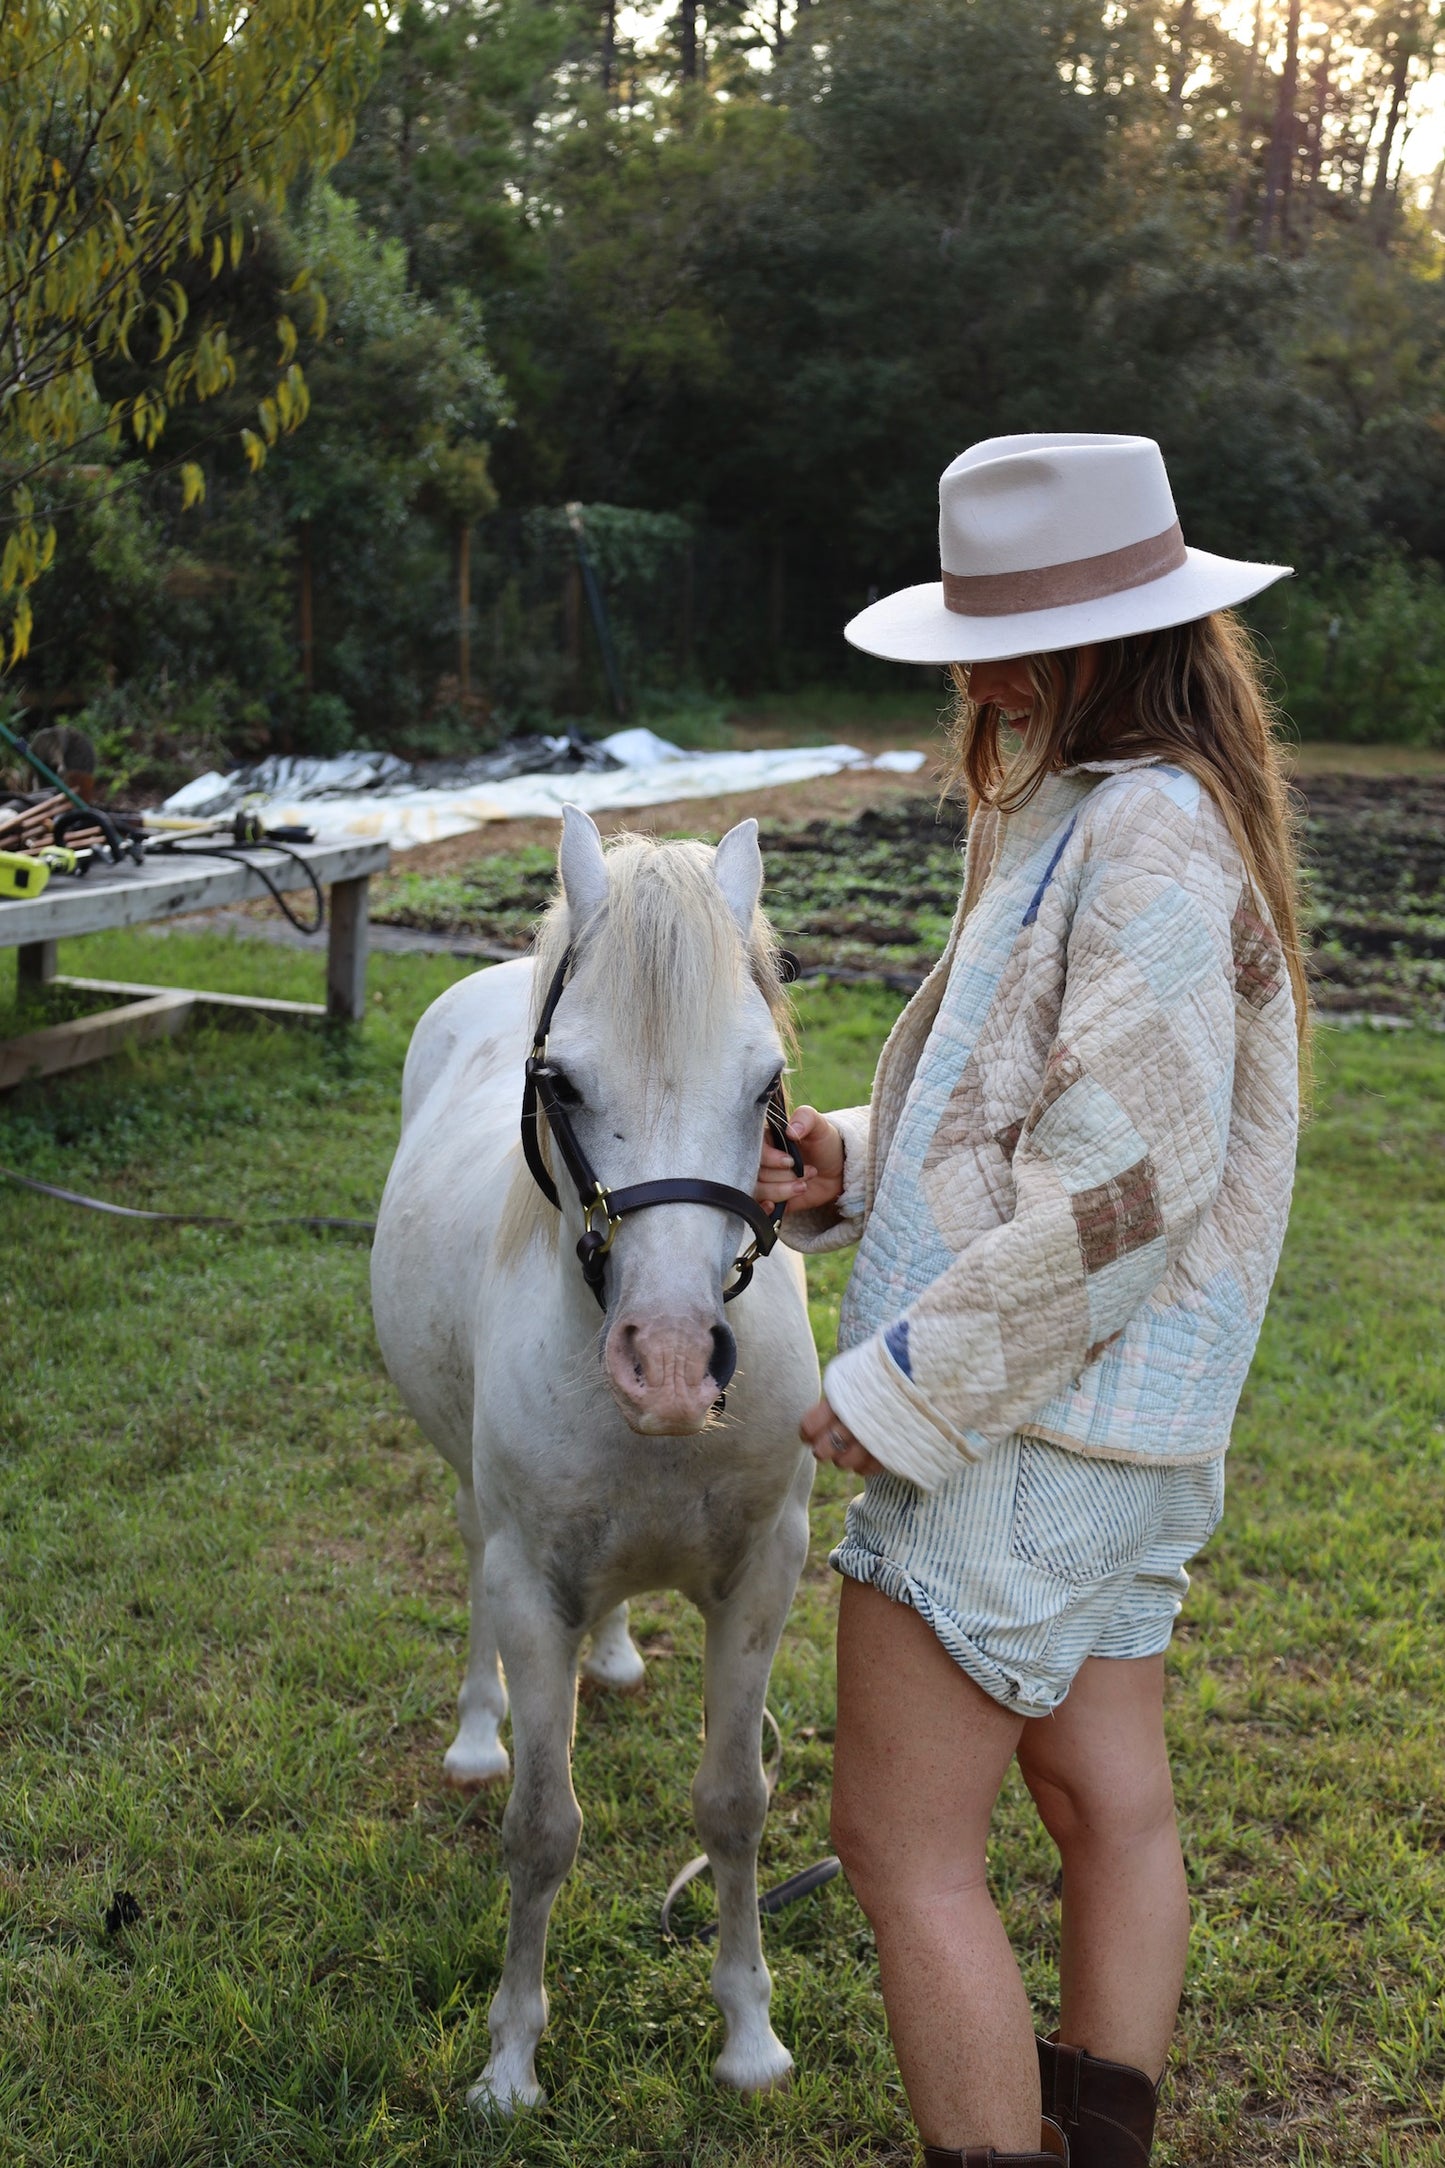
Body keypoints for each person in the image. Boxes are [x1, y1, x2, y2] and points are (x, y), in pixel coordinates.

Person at [756, 435, 1306, 2168]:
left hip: (1024, 1430)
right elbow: (1037, 1115)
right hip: (1125, 1430)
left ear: (1110, 644)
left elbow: (1121, 1195)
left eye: (1014, 650)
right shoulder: (1104, 812)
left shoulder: (1143, 831)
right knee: (1102, 1805)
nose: (983, 686)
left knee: (900, 1848)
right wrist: (848, 1162)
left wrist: (909, 1385)